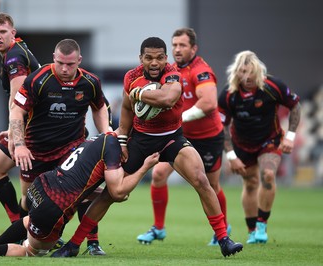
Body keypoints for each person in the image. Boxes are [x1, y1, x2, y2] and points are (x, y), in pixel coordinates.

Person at [53, 37, 243, 258]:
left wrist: (140, 94)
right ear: (140, 58)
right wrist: (122, 141)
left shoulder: (172, 74)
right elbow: (126, 110)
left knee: (201, 180)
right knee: (110, 193)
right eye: (149, 58)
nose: (155, 63)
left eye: (160, 58)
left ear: (166, 58)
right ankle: (74, 244)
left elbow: (168, 98)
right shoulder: (131, 77)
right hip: (141, 141)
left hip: (172, 138)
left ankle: (223, 240)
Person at [0, 133, 161, 257]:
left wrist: (100, 194)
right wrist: (145, 167)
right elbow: (119, 191)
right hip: (53, 205)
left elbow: (83, 181)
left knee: (29, 221)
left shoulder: (100, 138)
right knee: (32, 251)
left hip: (41, 185)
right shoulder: (114, 150)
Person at [8, 38, 110, 254]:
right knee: (28, 201)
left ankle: (92, 243)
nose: (65, 69)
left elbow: (99, 107)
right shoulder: (38, 79)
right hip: (36, 151)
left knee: (82, 193)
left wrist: (107, 132)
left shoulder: (90, 82)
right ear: (54, 58)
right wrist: (19, 145)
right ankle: (20, 238)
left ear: (79, 60)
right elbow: (17, 110)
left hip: (71, 149)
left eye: (70, 64)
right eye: (61, 63)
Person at [136, 28, 229, 246]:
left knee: (210, 185)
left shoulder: (201, 71)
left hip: (207, 136)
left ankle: (222, 231)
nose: (178, 49)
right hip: (180, 135)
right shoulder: (169, 70)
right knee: (158, 174)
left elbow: (208, 103)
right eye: (175, 45)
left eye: (183, 45)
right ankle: (158, 228)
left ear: (193, 48)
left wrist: (179, 117)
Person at [217, 50, 301, 244]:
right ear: (236, 72)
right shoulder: (229, 94)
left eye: (249, 71)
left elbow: (295, 106)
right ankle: (252, 230)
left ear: (257, 71)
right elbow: (222, 125)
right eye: (241, 72)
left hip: (269, 140)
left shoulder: (273, 86)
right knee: (251, 183)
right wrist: (231, 156)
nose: (246, 76)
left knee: (268, 175)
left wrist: (290, 136)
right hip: (242, 145)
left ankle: (262, 225)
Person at [0, 13, 41, 224]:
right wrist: (11, 129)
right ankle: (21, 226)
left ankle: (27, 229)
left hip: (36, 128)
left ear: (13, 33)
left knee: (28, 188)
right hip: (31, 123)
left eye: (2, 32)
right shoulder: (18, 48)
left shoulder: (15, 57)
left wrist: (16, 136)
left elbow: (18, 101)